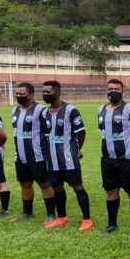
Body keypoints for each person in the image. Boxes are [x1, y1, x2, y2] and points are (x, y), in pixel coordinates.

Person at [98, 79, 130, 236]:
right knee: (111, 191)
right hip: (108, 160)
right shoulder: (101, 110)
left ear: (122, 91)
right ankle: (112, 224)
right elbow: (104, 132)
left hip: (127, 160)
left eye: (117, 89)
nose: (113, 91)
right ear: (107, 91)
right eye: (110, 88)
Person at [41, 80, 93, 231]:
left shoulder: (71, 110)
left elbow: (81, 132)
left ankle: (87, 219)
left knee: (78, 188)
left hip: (69, 158)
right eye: (43, 92)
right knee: (57, 188)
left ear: (58, 92)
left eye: (48, 92)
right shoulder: (45, 112)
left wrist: (77, 149)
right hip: (52, 159)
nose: (45, 95)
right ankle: (62, 217)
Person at [11, 82, 55, 224]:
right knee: (25, 184)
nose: (18, 96)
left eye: (21, 94)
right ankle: (27, 212)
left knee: (44, 184)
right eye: (17, 94)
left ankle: (51, 214)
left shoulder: (41, 111)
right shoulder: (14, 111)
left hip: (38, 156)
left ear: (31, 94)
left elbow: (50, 131)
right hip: (21, 157)